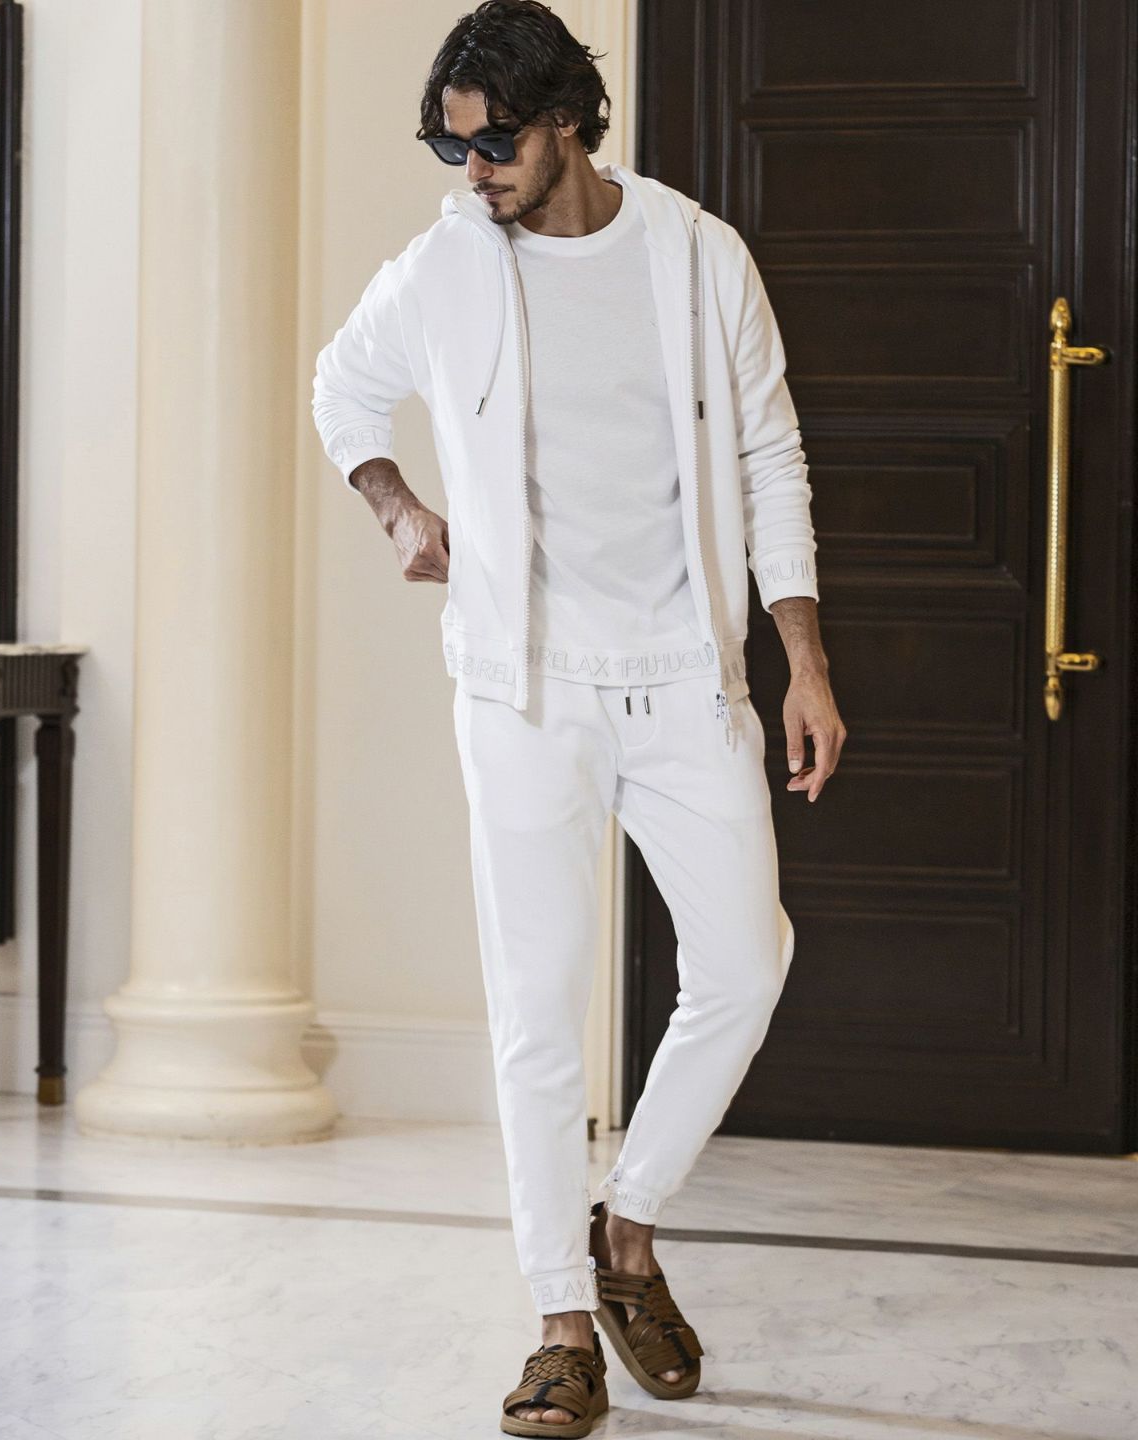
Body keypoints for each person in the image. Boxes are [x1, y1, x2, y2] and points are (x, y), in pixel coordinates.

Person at [312, 2, 846, 1432]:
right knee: (537, 1007)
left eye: (491, 145)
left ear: (566, 122)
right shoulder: (444, 267)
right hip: (522, 688)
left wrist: (802, 659)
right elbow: (341, 387)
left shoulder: (698, 257)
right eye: (448, 147)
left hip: (685, 678)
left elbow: (772, 454)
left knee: (745, 963)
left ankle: (628, 1226)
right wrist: (397, 506)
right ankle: (561, 1322)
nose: (470, 172)